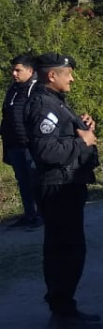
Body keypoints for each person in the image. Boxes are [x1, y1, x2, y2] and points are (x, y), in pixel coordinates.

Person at [24, 53, 102, 329]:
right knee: (64, 252)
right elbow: (46, 151)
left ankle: (66, 308)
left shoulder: (55, 102)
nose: (72, 78)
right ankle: (62, 313)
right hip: (57, 186)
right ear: (51, 76)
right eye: (67, 73)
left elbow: (60, 138)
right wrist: (82, 144)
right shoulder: (44, 104)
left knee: (69, 250)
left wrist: (83, 129)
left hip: (66, 184)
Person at [3, 54, 41, 229]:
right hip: (13, 144)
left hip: (30, 146)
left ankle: (42, 215)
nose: (14, 73)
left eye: (18, 70)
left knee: (36, 180)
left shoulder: (37, 89)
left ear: (30, 71)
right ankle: (29, 215)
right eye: (13, 70)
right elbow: (9, 115)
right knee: (23, 181)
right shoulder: (13, 89)